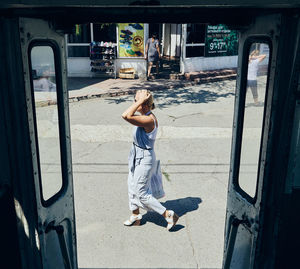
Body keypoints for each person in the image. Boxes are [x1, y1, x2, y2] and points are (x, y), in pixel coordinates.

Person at [121, 89, 179, 231]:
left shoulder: (148, 120)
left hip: (144, 159)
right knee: (131, 186)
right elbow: (129, 114)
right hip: (136, 155)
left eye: (136, 101)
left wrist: (141, 100)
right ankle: (135, 216)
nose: (134, 103)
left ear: (145, 105)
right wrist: (140, 100)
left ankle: (169, 215)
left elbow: (125, 115)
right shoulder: (144, 115)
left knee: (141, 193)